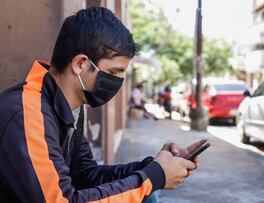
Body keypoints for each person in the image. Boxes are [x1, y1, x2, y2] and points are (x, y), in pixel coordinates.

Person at [0, 7, 206, 203]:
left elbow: (85, 175)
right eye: (114, 73)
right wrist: (152, 178)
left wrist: (153, 167)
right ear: (81, 64)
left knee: (146, 194)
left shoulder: (70, 104)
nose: (118, 81)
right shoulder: (26, 113)